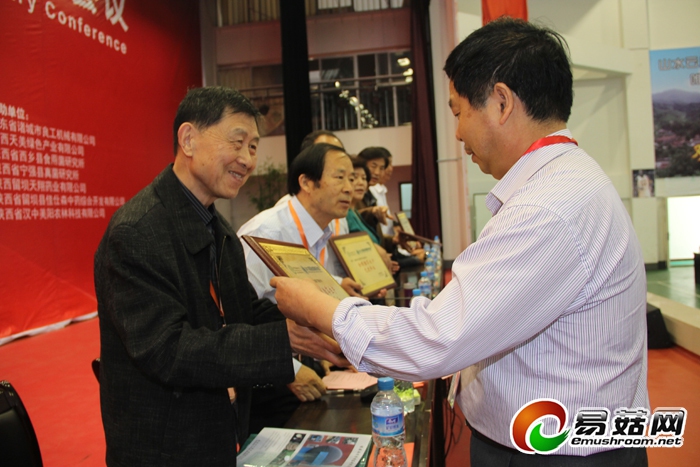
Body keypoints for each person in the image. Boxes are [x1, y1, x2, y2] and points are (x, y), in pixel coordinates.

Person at [270, 18, 649, 466]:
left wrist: (319, 308)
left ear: (501, 102)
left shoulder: (547, 206)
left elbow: (438, 338)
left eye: (458, 112)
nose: (457, 133)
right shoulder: (563, 184)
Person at [93, 86, 347, 467]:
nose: (248, 159)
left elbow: (243, 309)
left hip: (217, 434)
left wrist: (315, 318)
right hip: (163, 449)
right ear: (188, 139)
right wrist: (283, 340)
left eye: (254, 147)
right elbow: (169, 350)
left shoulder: (219, 229)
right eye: (237, 142)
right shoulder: (137, 232)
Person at [237, 142, 365, 433]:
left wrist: (322, 353)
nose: (349, 188)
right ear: (307, 182)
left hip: (302, 360)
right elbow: (236, 317)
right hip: (266, 376)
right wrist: (288, 370)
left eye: (352, 178)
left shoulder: (322, 230)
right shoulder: (266, 232)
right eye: (340, 177)